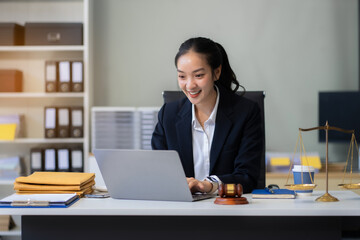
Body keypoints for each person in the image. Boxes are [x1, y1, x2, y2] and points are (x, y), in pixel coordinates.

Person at [151, 37, 263, 194]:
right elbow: (158, 172)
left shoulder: (246, 113)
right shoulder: (167, 115)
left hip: (228, 210)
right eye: (182, 76)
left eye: (198, 75)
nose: (189, 85)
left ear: (216, 72)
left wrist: (210, 185)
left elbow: (246, 177)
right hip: (181, 210)